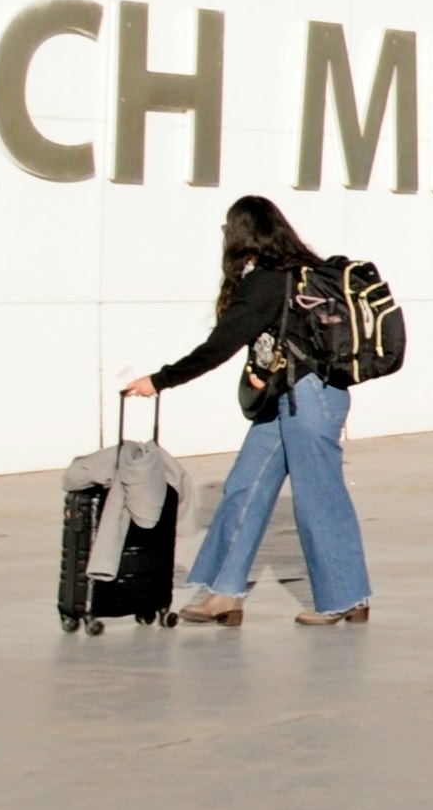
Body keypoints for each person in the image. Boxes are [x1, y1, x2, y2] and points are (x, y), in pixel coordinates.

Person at [122, 195, 372, 628]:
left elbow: (220, 346)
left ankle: (343, 599)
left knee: (319, 498)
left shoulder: (271, 281)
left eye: (227, 228)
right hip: (289, 399)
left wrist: (159, 380)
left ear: (243, 234)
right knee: (244, 487)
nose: (224, 236)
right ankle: (224, 593)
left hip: (308, 400)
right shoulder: (292, 274)